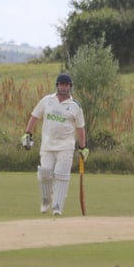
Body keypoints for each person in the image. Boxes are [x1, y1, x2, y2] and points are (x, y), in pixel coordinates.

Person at [22, 73, 88, 216]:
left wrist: (83, 147)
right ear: (57, 85)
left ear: (70, 87)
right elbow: (34, 116)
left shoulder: (75, 106)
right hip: (47, 145)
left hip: (66, 146)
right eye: (61, 85)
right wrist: (28, 133)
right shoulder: (47, 100)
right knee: (45, 173)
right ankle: (46, 200)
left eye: (66, 85)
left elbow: (80, 129)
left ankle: (57, 206)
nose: (63, 88)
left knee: (61, 175)